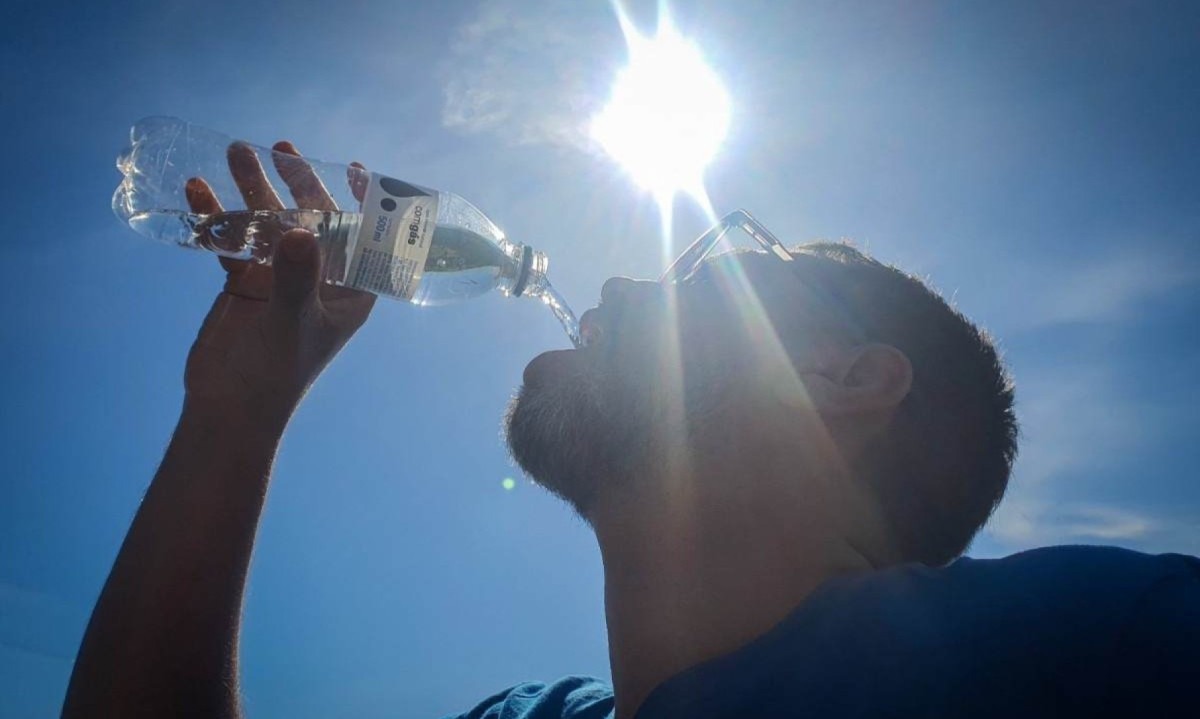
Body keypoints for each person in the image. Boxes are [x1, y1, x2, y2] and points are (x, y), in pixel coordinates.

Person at [63, 142, 1198, 719]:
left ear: (847, 380)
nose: (612, 278)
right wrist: (237, 416)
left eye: (708, 269)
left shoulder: (1085, 650)